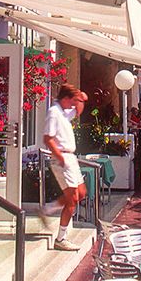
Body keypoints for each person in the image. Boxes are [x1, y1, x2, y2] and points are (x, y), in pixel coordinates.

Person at [41, 85, 88, 251]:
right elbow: (48, 138)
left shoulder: (63, 112)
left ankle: (48, 208)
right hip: (62, 157)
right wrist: (59, 157)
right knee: (72, 199)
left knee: (81, 193)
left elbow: (78, 111)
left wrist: (81, 98)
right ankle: (61, 239)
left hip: (70, 157)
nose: (74, 105)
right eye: (73, 101)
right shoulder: (54, 112)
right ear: (65, 99)